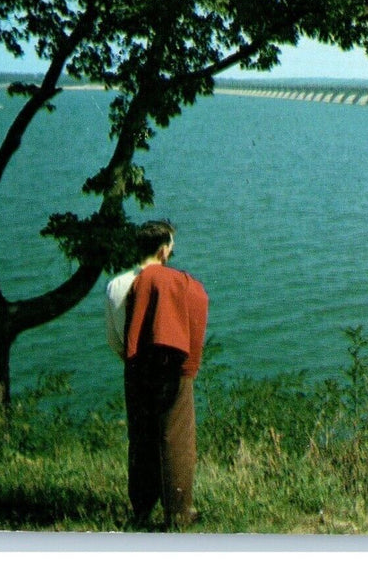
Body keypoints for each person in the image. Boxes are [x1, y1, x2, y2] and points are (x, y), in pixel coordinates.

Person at [105, 220, 209, 529]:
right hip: (171, 369)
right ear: (164, 250)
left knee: (140, 438)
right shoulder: (176, 282)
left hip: (135, 366)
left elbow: (114, 338)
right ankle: (178, 512)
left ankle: (141, 509)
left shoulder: (115, 285)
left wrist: (131, 359)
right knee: (175, 437)